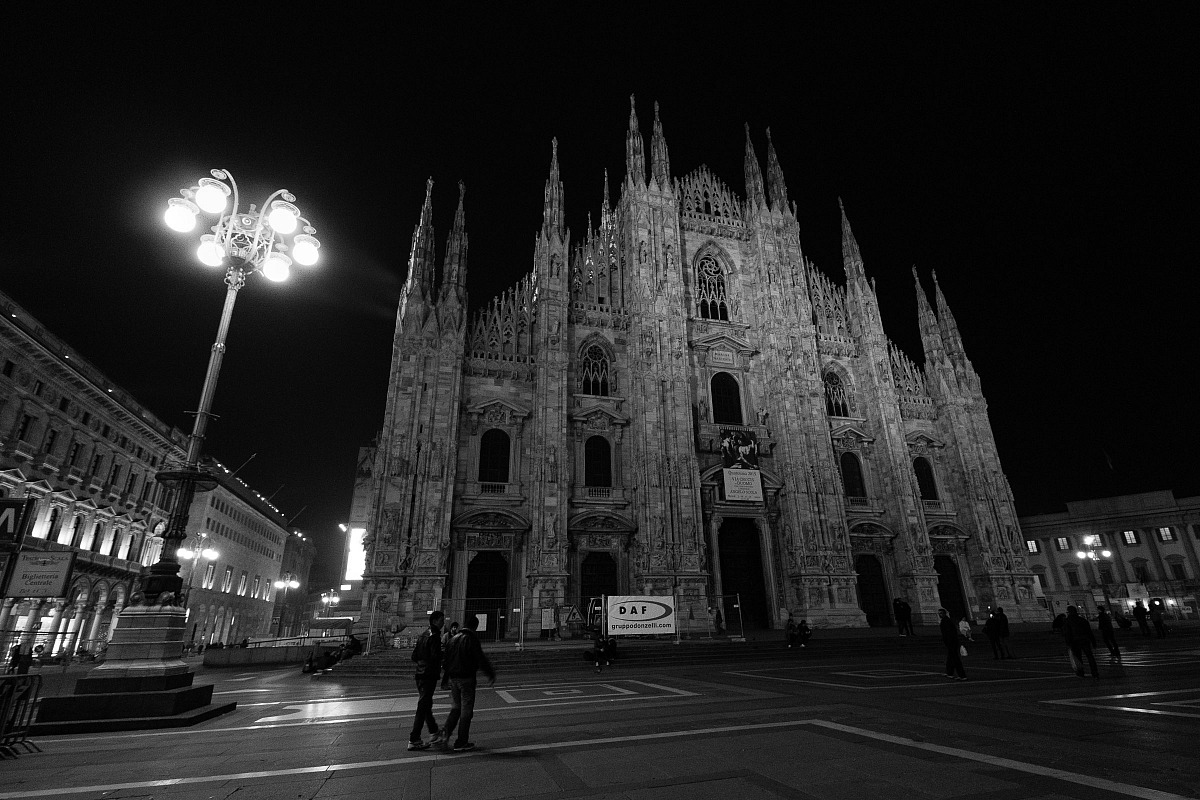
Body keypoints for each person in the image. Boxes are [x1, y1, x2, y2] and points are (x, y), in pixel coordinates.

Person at [441, 614, 496, 753]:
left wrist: (445, 679)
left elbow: (446, 661)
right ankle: (461, 741)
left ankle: (444, 735)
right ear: (475, 626)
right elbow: (480, 658)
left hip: (454, 679)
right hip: (466, 679)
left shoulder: (453, 639)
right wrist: (490, 673)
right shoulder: (471, 639)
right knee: (466, 711)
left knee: (455, 708)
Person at [407, 610, 446, 751]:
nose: (443, 623)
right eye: (441, 620)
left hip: (420, 674)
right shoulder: (434, 636)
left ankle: (434, 732)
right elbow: (436, 656)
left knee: (425, 704)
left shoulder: (423, 634)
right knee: (423, 707)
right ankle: (414, 739)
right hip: (428, 675)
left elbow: (414, 656)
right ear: (435, 621)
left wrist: (422, 662)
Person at [1063, 605, 1099, 678]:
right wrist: (1093, 641)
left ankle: (1081, 672)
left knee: (1078, 658)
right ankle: (1095, 672)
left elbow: (1067, 633)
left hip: (1075, 641)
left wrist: (1068, 643)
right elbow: (1089, 631)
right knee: (1090, 656)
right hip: (1085, 640)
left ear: (1068, 612)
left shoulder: (1068, 621)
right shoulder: (1082, 620)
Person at [939, 608, 966, 681]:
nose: (940, 615)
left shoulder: (946, 621)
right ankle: (949, 673)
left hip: (952, 643)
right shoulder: (946, 621)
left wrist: (950, 642)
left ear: (944, 613)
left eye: (941, 613)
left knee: (955, 659)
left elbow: (949, 633)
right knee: (950, 658)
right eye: (939, 613)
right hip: (951, 642)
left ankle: (962, 675)